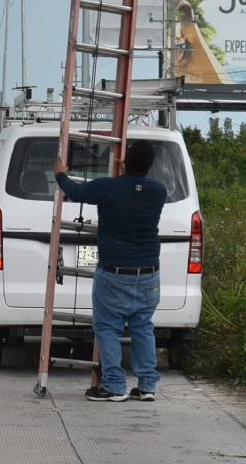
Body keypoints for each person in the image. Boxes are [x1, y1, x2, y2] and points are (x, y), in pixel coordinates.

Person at [54, 140, 167, 402]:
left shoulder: (108, 187)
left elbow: (75, 192)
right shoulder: (158, 191)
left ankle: (115, 386)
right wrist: (127, 170)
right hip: (149, 273)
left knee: (107, 328)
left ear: (124, 162)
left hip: (114, 272)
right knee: (142, 327)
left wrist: (60, 172)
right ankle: (148, 385)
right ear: (150, 165)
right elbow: (133, 189)